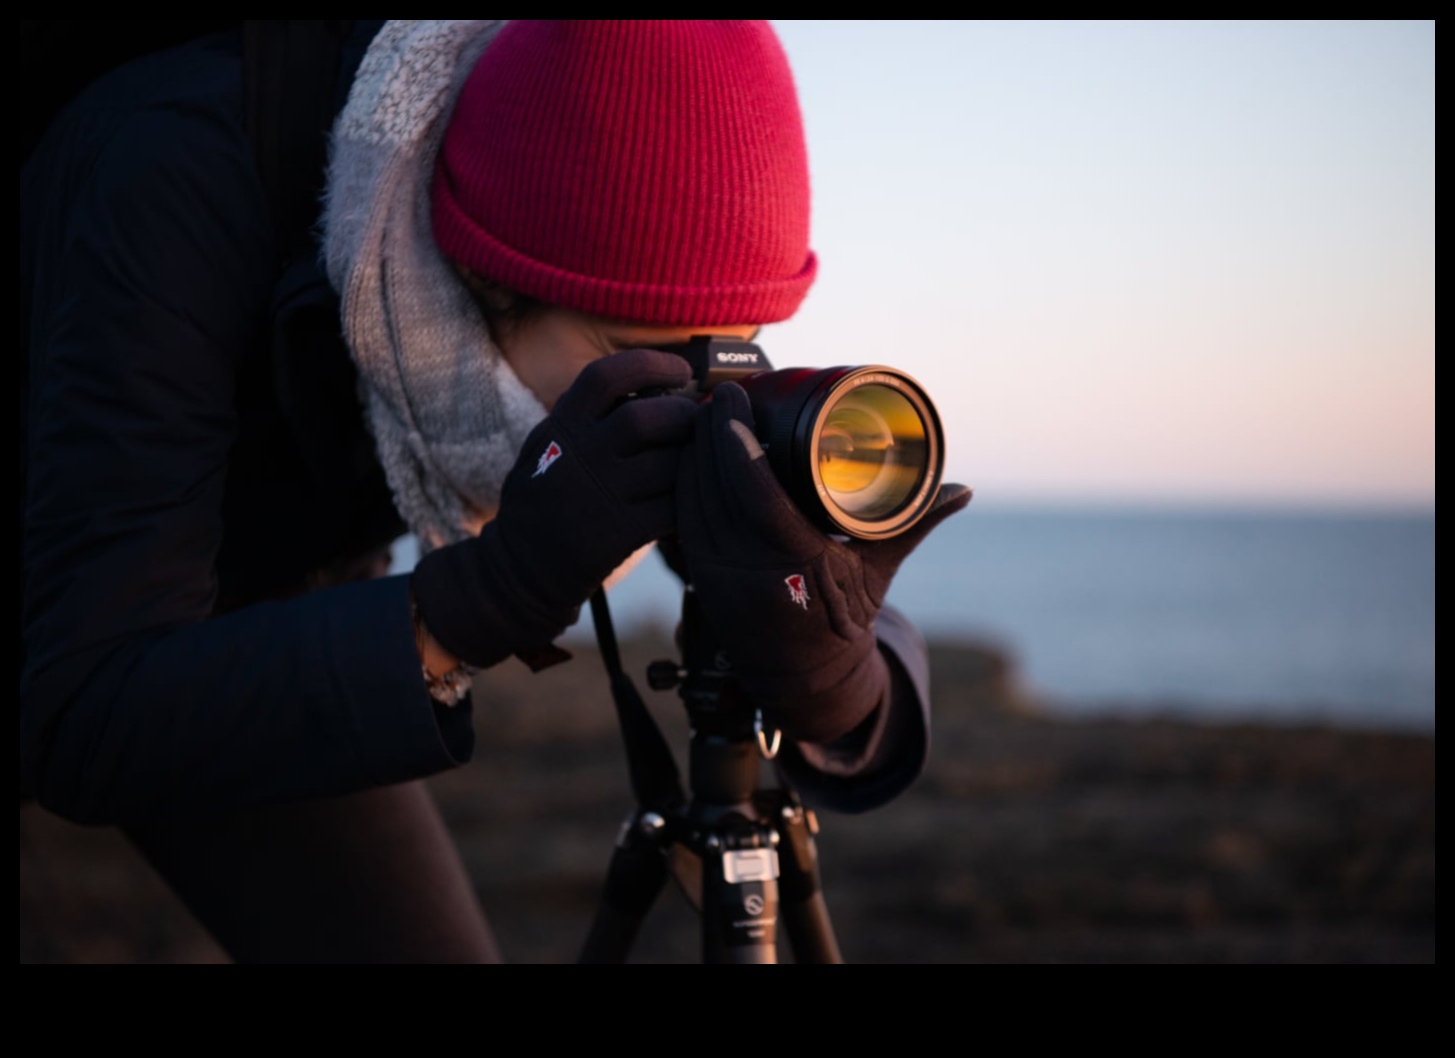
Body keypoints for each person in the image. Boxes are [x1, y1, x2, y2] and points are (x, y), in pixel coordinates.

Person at [19, 20, 971, 964]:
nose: (688, 400)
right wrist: (480, 602)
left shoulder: (572, 269)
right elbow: (77, 708)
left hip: (273, 589)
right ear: (482, 278)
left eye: (731, 347)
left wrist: (839, 673)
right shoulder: (169, 177)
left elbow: (723, 495)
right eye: (630, 358)